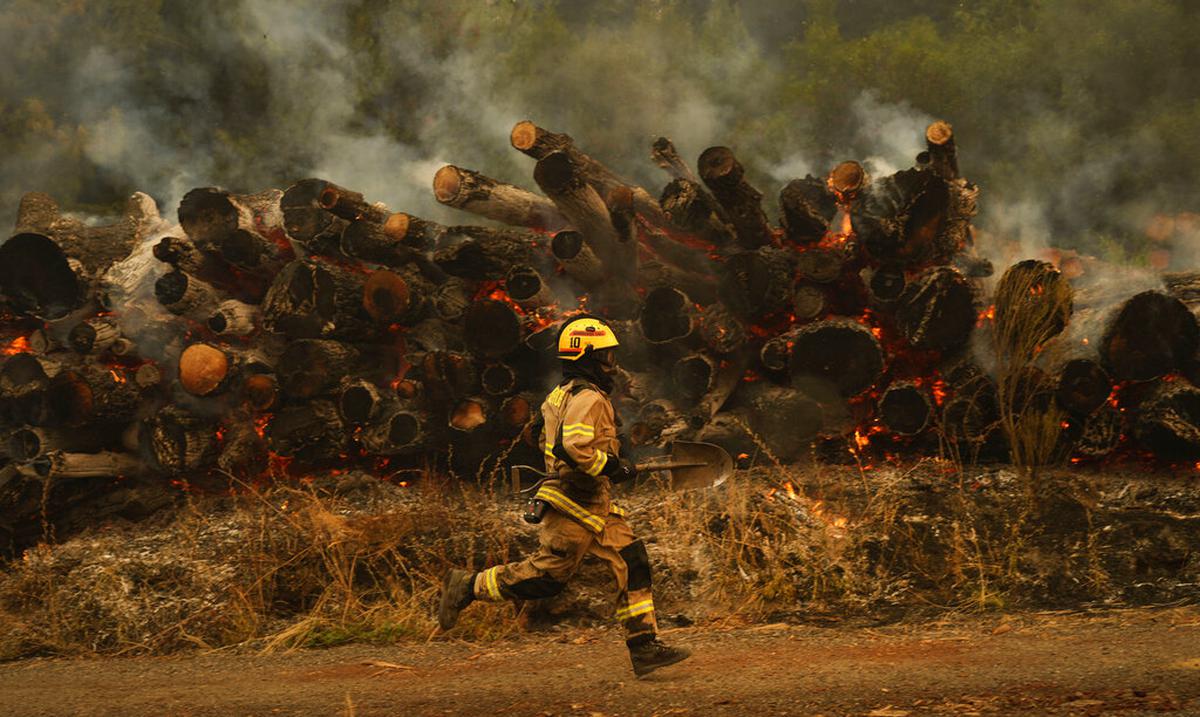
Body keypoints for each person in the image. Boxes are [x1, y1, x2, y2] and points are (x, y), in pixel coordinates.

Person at [438, 315, 690, 677]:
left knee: (631, 559)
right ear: (587, 356)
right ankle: (467, 586)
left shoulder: (560, 395)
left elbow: (540, 438)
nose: (611, 364)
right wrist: (612, 466)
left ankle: (644, 646)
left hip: (594, 502)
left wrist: (606, 465)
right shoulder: (588, 397)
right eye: (606, 356)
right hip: (574, 503)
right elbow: (573, 449)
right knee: (546, 578)